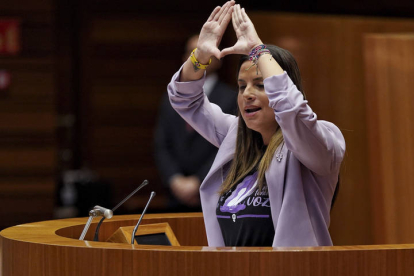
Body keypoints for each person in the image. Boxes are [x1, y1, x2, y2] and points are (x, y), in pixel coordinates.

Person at [167, 1, 345, 247]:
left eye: (260, 85)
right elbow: (185, 100)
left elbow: (293, 110)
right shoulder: (234, 136)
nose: (247, 94)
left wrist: (258, 51)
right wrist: (201, 56)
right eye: (242, 86)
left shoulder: (320, 140)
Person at [154, 35, 237, 211]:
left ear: (218, 58)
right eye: (194, 53)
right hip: (175, 194)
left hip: (215, 190)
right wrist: (174, 178)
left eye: (205, 53)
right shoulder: (172, 96)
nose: (199, 58)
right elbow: (162, 143)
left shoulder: (232, 98)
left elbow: (231, 145)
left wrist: (199, 180)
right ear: (185, 58)